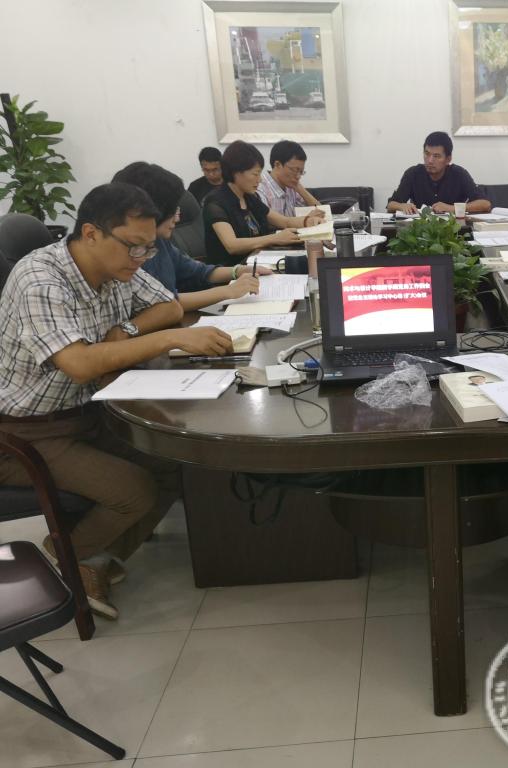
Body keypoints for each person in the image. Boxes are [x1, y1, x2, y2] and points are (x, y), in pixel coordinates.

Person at [0, 183, 234, 619]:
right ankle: (66, 554)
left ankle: (89, 559)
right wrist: (167, 338)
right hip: (24, 433)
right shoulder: (41, 279)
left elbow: (167, 305)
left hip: (87, 411)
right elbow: (79, 364)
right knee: (133, 490)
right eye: (133, 247)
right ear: (91, 233)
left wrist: (126, 330)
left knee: (173, 460)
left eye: (148, 247)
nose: (142, 257)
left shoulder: (119, 266)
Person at [113, 161, 273, 311]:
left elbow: (198, 271)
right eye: (173, 210)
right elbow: (164, 303)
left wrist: (238, 271)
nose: (177, 218)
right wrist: (229, 291)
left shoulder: (161, 242)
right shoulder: (132, 257)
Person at [202, 140, 323, 267]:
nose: (259, 180)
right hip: (229, 272)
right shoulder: (215, 202)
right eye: (255, 174)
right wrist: (275, 238)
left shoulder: (249, 198)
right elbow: (232, 245)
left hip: (257, 263)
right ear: (236, 172)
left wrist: (308, 221)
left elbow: (284, 222)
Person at [386, 131, 491, 215]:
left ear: (448, 159)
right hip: (421, 230)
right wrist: (402, 206)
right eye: (427, 154)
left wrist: (452, 208)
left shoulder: (459, 174)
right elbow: (391, 205)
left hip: (454, 230)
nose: (430, 160)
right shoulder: (413, 173)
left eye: (436, 156)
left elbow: (485, 204)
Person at [256, 139, 321, 218]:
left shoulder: (291, 186)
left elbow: (321, 212)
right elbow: (268, 223)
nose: (298, 176)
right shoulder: (260, 189)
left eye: (301, 172)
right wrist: (306, 220)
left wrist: (299, 187)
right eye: (295, 170)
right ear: (277, 165)